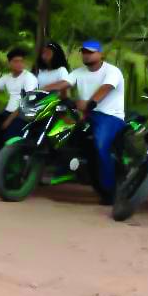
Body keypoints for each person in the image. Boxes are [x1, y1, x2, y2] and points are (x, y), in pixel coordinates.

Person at [43, 40, 125, 205]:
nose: (86, 55)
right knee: (55, 133)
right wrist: (42, 89)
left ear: (100, 54)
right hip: (84, 113)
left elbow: (105, 88)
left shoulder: (112, 71)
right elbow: (63, 83)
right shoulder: (78, 72)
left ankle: (111, 191)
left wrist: (89, 103)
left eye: (90, 52)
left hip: (109, 116)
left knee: (101, 146)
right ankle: (63, 169)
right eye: (84, 52)